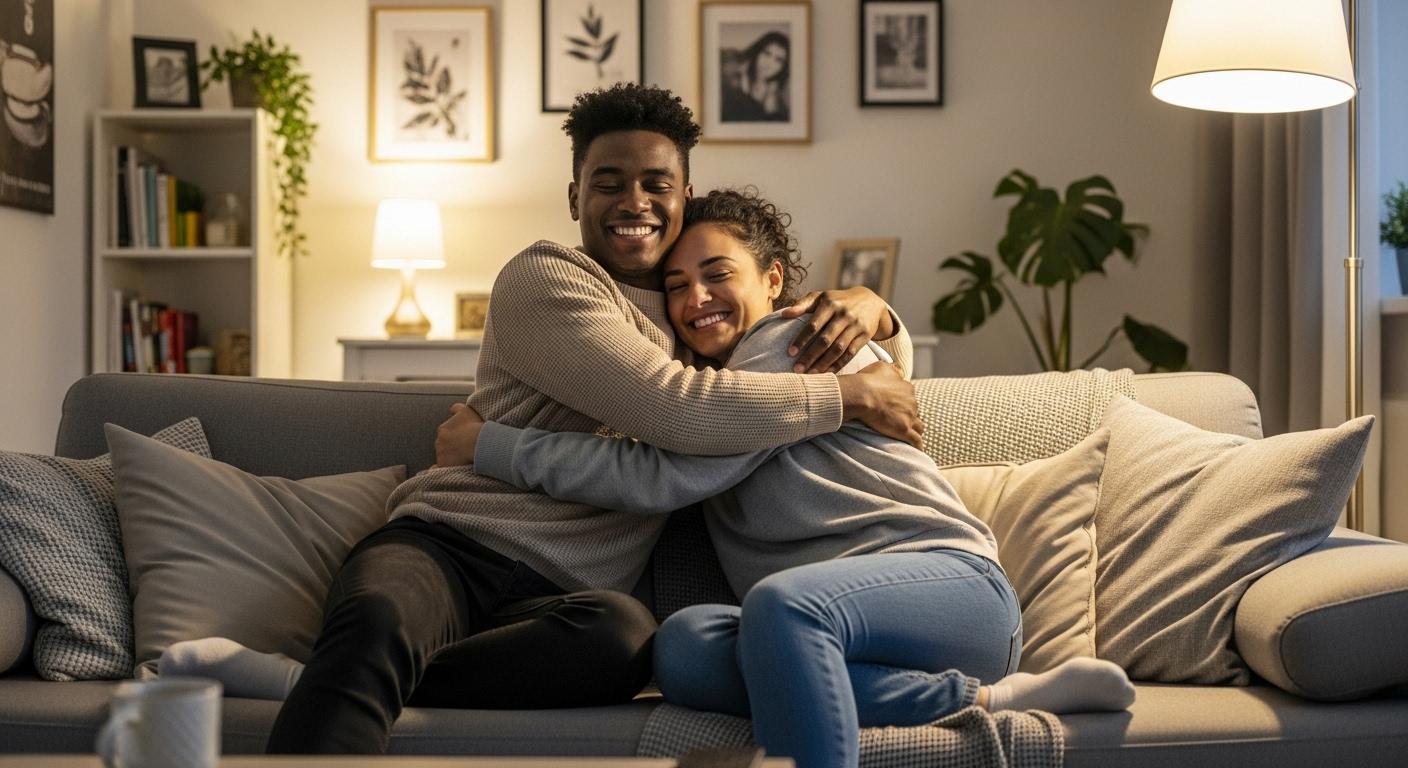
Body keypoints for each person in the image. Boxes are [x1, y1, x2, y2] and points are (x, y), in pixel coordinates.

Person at [161, 84, 922, 755]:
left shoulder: (711, 315)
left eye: (657, 183)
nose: (634, 202)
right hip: (450, 546)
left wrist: (880, 318)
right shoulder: (548, 279)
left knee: (626, 642)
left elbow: (804, 349)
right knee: (381, 622)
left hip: (568, 594)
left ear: (684, 196)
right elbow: (676, 408)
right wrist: (845, 398)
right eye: (609, 183)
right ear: (574, 199)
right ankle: (357, 664)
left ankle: (315, 676)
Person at [450, 189, 1137, 768]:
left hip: (951, 592)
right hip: (824, 624)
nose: (697, 299)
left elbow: (657, 474)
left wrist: (492, 445)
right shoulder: (706, 396)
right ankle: (993, 699)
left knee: (782, 606)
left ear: (774, 281)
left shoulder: (795, 342)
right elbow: (671, 443)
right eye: (678, 286)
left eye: (718, 274)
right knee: (684, 647)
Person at [721, 31, 789, 122]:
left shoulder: (778, 94)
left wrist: (771, 108)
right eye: (767, 53)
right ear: (758, 51)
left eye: (778, 60)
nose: (769, 63)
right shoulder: (733, 76)